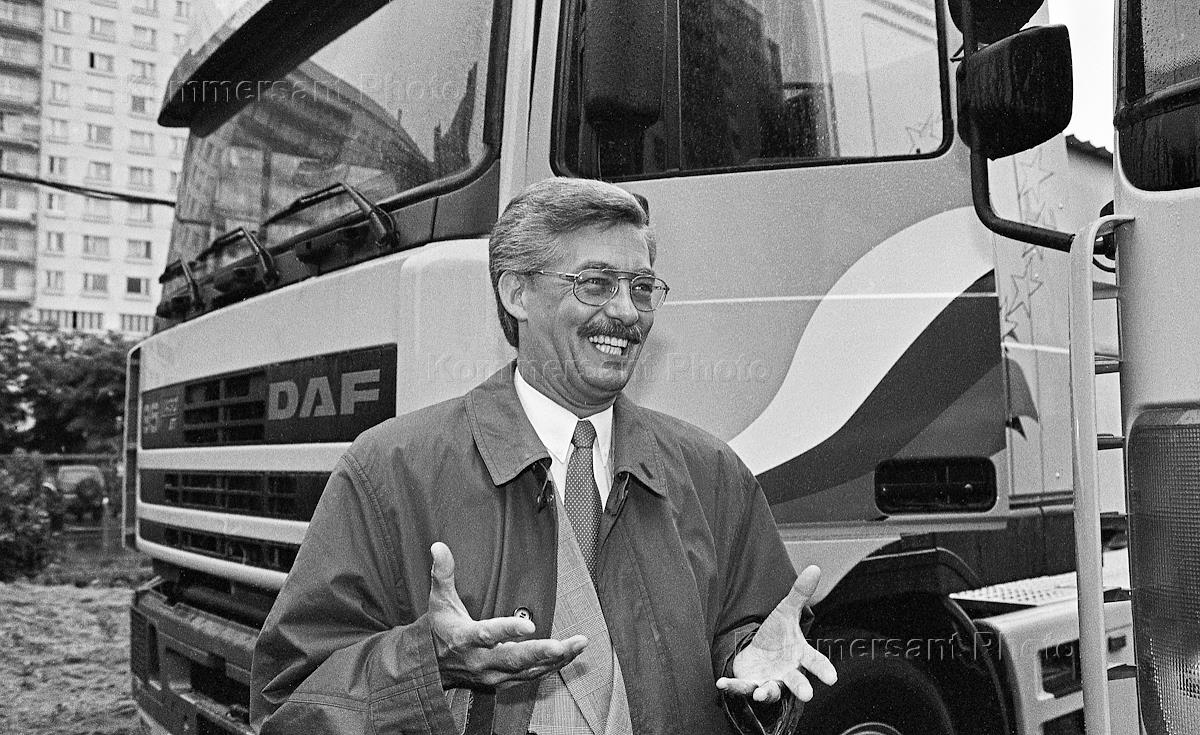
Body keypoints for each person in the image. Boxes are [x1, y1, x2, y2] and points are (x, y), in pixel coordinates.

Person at [250, 178, 837, 735]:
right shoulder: (391, 471)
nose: (627, 312)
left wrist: (749, 669)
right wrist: (427, 663)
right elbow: (290, 701)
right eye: (596, 283)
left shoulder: (712, 473)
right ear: (517, 293)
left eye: (641, 287)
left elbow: (755, 640)